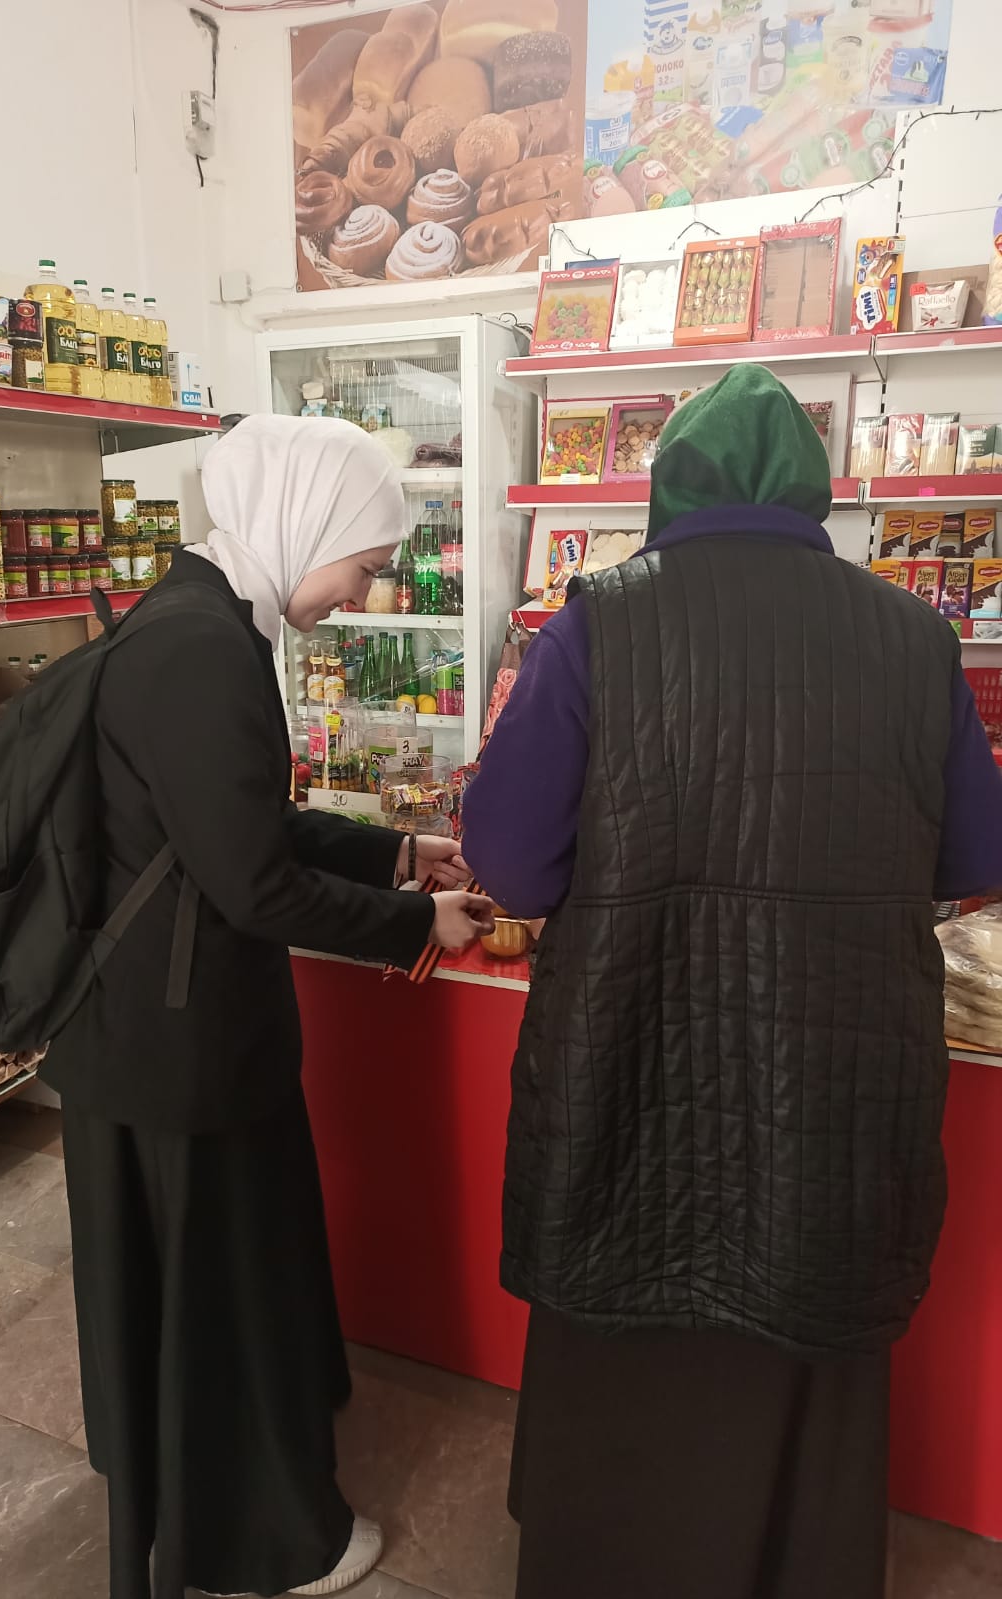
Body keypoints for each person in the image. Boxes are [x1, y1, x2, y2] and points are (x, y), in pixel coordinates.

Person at [461, 365, 1002, 1599]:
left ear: (670, 485)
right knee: (808, 1338)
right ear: (812, 491)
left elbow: (512, 862)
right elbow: (976, 856)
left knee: (620, 1344)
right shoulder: (912, 637)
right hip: (832, 1087)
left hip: (630, 1073)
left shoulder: (596, 625)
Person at [41, 415, 492, 1599]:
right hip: (173, 1045)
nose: (364, 593)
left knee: (229, 1278)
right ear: (307, 522)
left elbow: (239, 822)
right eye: (366, 562)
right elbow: (250, 883)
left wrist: (395, 854)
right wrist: (416, 928)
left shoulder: (204, 620)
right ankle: (261, 1544)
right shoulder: (200, 649)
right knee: (221, 1299)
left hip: (165, 1027)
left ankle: (214, 1495)